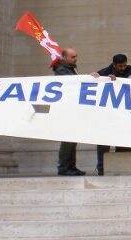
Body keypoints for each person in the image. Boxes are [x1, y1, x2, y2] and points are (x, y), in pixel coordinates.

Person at [54, 48, 88, 176]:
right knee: (68, 139)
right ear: (65, 58)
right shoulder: (61, 70)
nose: (75, 59)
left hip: (72, 109)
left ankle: (71, 166)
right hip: (66, 110)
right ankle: (64, 167)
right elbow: (71, 83)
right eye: (73, 57)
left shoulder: (71, 68)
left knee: (73, 139)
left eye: (76, 56)